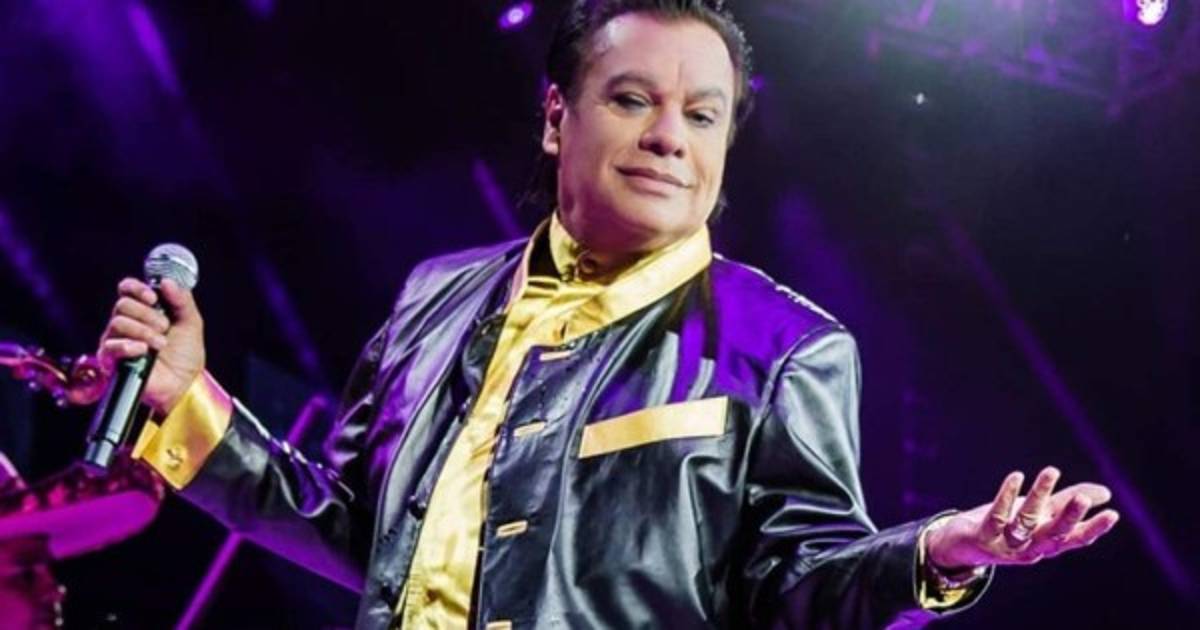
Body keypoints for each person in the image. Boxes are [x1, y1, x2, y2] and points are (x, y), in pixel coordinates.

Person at [94, 1, 1119, 627]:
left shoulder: (786, 346)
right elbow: (364, 538)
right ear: (558, 117)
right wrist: (191, 403)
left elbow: (798, 586)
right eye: (633, 100)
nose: (671, 137)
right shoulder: (434, 300)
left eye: (703, 114)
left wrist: (940, 550)